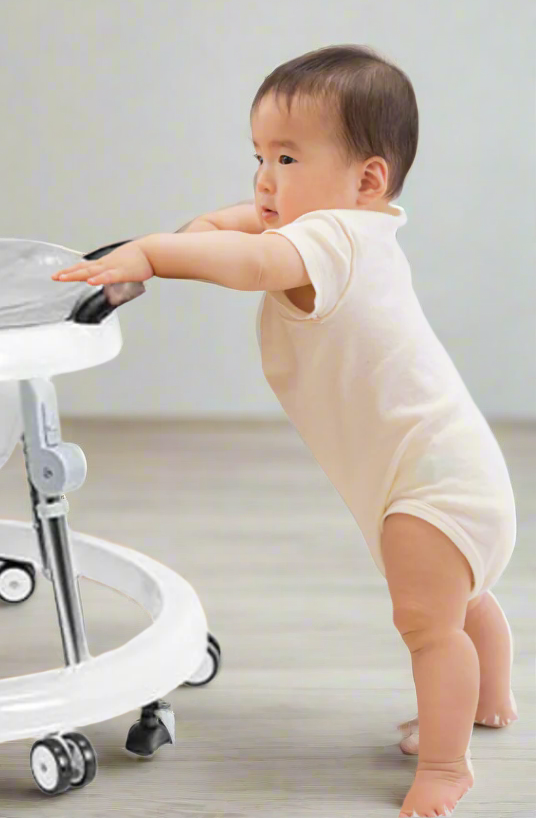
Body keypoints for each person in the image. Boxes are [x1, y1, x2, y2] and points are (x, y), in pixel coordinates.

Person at [52, 45, 517, 818]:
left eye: (288, 157)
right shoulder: (353, 227)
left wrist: (152, 256)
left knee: (427, 624)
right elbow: (232, 229)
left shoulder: (326, 242)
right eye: (258, 157)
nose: (264, 180)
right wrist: (185, 236)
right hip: (451, 471)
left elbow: (250, 260)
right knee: (462, 602)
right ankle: (491, 700)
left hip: (431, 486)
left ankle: (445, 766)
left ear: (366, 179)